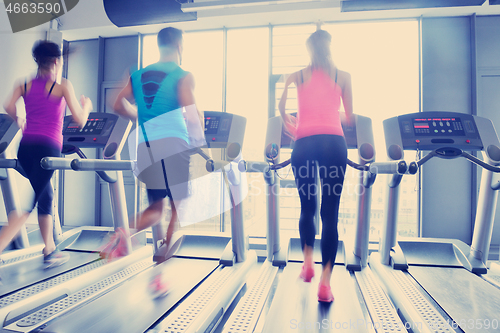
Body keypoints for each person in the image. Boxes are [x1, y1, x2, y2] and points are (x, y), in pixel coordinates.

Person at [109, 27, 205, 296]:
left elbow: (116, 103)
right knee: (175, 209)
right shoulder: (182, 75)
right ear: (179, 45)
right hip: (173, 144)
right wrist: (200, 144)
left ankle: (123, 232)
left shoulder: (137, 75)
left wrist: (137, 116)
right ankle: (159, 275)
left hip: (145, 145)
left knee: (155, 207)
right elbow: (191, 114)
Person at [1, 40, 92, 269]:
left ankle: (49, 249)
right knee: (29, 205)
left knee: (46, 195)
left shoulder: (24, 84)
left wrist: (19, 119)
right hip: (47, 148)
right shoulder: (62, 86)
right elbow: (80, 120)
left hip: (26, 148)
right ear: (56, 61)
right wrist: (87, 105)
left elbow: (8, 105)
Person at [278, 28, 353, 303]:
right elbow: (350, 117)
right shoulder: (342, 76)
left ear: (308, 49)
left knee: (307, 208)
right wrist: (331, 115)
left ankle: (307, 262)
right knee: (329, 213)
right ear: (330, 47)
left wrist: (290, 123)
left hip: (304, 143)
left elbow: (281, 106)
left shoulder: (296, 76)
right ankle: (325, 285)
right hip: (333, 144)